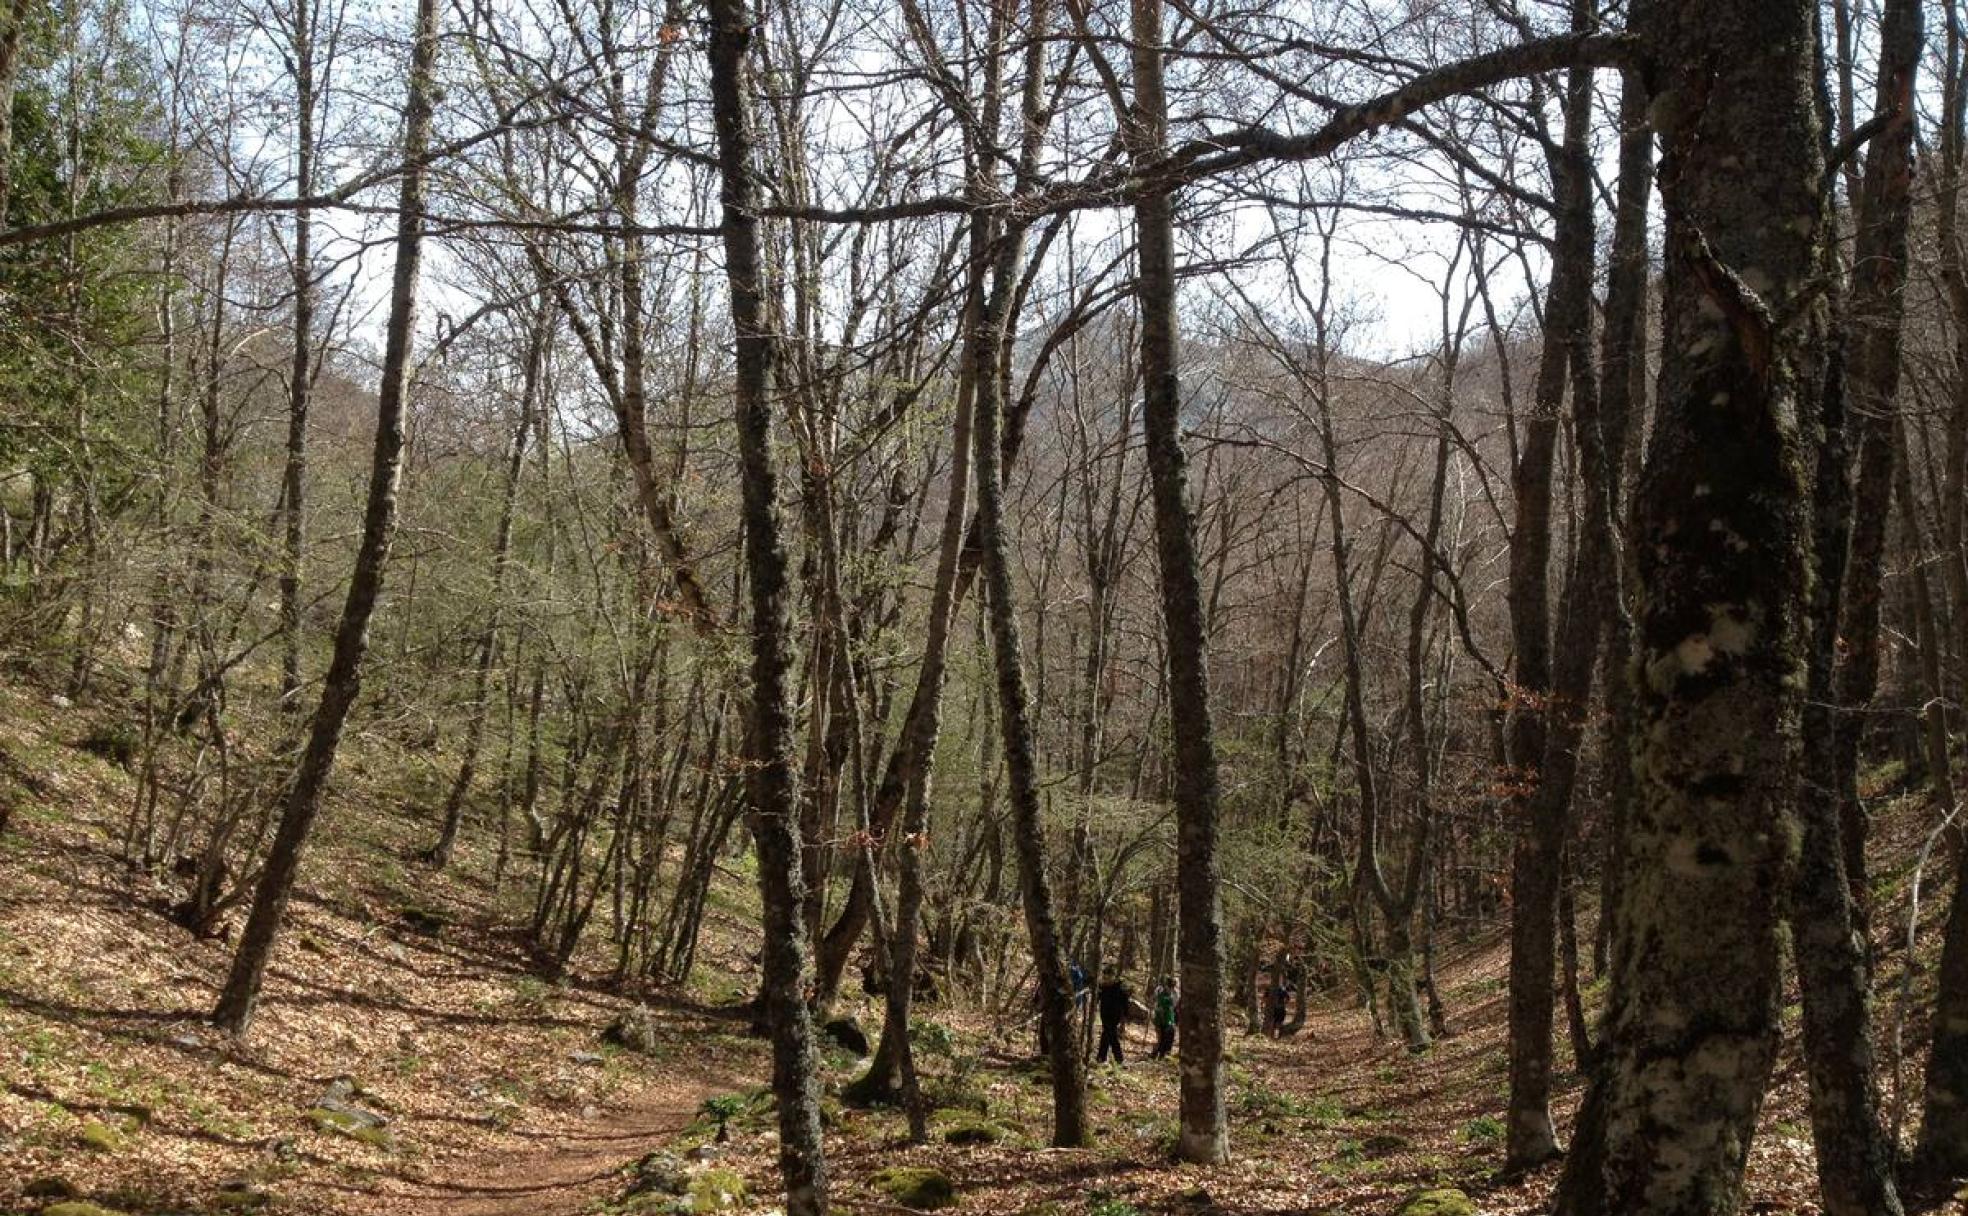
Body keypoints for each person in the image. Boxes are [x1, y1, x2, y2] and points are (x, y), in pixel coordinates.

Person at [1095, 967, 1134, 1064]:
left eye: (1108, 977)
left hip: (1115, 1015)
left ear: (1113, 976)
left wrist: (1125, 1015)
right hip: (1104, 1014)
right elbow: (1097, 998)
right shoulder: (1102, 986)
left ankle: (1113, 1058)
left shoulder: (1119, 987)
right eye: (1104, 977)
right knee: (1108, 1034)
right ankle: (1106, 1057)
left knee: (1109, 1033)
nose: (1106, 979)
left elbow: (1125, 1002)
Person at [1151, 977, 1177, 1059]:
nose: (1170, 988)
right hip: (1161, 1020)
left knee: (1168, 1037)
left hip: (1169, 1019)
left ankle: (1163, 1055)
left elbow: (1174, 1006)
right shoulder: (1160, 992)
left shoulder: (1174, 994)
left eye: (1172, 986)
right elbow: (1157, 1005)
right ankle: (1155, 1055)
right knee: (1161, 1039)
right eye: (1170, 986)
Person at [1266, 970, 1291, 1038]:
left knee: (1275, 1023)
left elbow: (1288, 998)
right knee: (1277, 1023)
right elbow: (1288, 998)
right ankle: (1275, 1037)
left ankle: (1274, 1036)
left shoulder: (1279, 989)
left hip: (1277, 1007)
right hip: (1277, 1007)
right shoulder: (1281, 989)